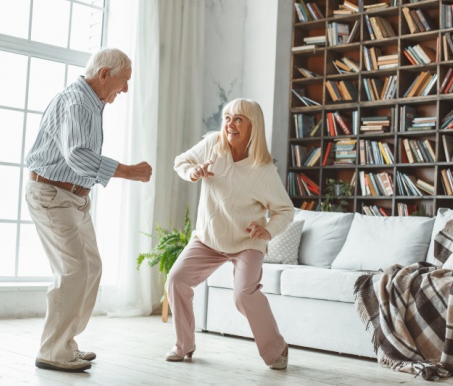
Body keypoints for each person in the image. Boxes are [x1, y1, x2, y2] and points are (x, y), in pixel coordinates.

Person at [25, 48, 152, 372]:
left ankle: (65, 343)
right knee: (73, 270)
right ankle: (53, 350)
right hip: (52, 194)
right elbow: (78, 156)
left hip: (73, 198)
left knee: (91, 268)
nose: (125, 90)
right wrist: (129, 171)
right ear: (104, 74)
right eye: (123, 82)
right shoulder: (78, 102)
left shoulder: (91, 101)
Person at [167, 98, 294, 369]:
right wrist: (193, 172)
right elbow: (181, 161)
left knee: (244, 294)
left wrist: (267, 229)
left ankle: (276, 349)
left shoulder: (263, 170)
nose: (229, 124)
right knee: (177, 279)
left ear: (252, 126)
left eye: (238, 119)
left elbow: (285, 210)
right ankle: (184, 344)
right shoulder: (213, 145)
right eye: (227, 117)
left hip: (248, 242)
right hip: (208, 237)